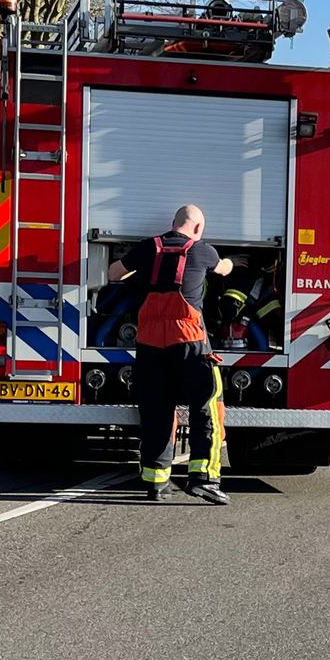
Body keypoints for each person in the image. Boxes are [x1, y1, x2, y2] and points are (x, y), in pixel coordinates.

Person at [106, 205, 234, 504]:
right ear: (198, 228)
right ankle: (204, 479)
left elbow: (114, 273)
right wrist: (229, 261)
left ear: (172, 224)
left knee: (156, 411)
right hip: (188, 342)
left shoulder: (148, 247)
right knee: (207, 408)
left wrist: (138, 273)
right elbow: (224, 270)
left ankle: (155, 483)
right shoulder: (203, 251)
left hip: (150, 343)